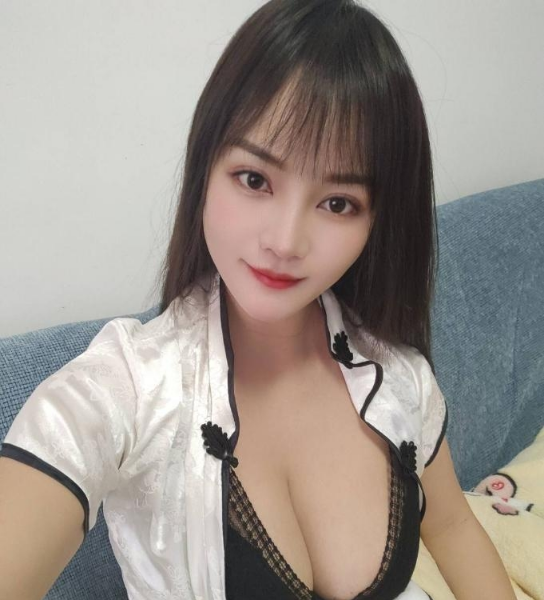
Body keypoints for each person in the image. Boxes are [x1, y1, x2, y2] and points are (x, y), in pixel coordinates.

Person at [0, 1, 516, 599]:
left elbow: (452, 526)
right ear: (206, 164)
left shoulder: (399, 378)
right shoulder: (124, 393)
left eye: (338, 203)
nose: (285, 242)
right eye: (255, 179)